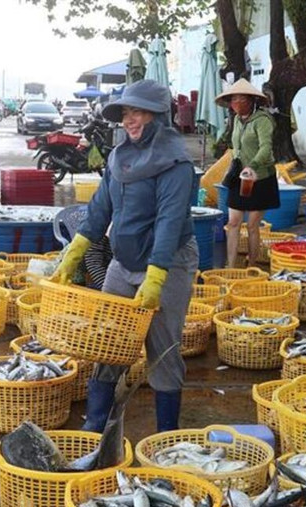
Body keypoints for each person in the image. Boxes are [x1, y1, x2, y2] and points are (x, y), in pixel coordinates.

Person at [54, 79, 198, 433]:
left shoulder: (176, 162)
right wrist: (74, 253)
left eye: (139, 112)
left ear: (159, 116)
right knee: (109, 340)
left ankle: (166, 435)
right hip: (124, 261)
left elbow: (168, 220)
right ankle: (95, 422)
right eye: (127, 112)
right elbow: (100, 210)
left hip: (169, 261)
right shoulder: (119, 156)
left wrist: (156, 276)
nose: (131, 120)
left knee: (162, 349)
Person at [215, 78, 279, 268]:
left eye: (241, 100)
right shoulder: (236, 120)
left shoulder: (263, 120)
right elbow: (236, 145)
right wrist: (234, 164)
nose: (236, 104)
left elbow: (266, 147)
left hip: (260, 177)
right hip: (239, 177)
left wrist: (252, 165)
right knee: (233, 222)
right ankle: (230, 264)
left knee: (252, 225)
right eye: (233, 100)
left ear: (251, 101)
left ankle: (252, 264)